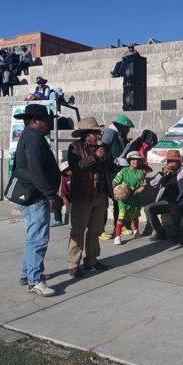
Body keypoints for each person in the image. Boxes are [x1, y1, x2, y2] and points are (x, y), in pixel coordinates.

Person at [12, 104, 61, 296]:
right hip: (36, 196)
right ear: (35, 121)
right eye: (47, 120)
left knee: (33, 236)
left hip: (34, 194)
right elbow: (36, 170)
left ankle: (27, 274)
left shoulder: (31, 136)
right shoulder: (33, 138)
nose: (49, 124)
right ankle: (35, 280)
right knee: (38, 238)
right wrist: (50, 194)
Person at [67, 117, 113, 278]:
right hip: (83, 196)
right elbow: (75, 167)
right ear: (86, 135)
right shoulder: (75, 147)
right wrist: (94, 157)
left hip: (100, 195)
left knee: (95, 230)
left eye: (99, 133)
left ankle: (92, 259)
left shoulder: (103, 148)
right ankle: (73, 264)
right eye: (96, 133)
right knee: (78, 231)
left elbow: (108, 168)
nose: (100, 136)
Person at [99, 114, 135, 240]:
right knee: (103, 203)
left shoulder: (119, 135)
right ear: (122, 126)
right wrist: (113, 161)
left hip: (117, 172)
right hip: (108, 172)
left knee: (119, 199)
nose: (128, 131)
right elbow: (103, 150)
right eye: (127, 128)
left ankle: (119, 225)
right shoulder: (110, 133)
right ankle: (100, 229)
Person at [145, 149, 183, 243]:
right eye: (170, 161)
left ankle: (174, 235)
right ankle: (160, 233)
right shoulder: (165, 172)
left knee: (176, 210)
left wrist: (176, 203)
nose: (172, 163)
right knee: (148, 209)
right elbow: (153, 184)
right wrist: (162, 173)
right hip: (166, 201)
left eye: (174, 161)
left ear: (179, 162)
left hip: (179, 201)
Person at [112, 151, 146, 245]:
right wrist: (116, 193)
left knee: (135, 215)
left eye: (137, 160)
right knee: (121, 217)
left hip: (134, 199)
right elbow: (114, 182)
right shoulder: (123, 171)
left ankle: (136, 230)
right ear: (129, 161)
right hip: (123, 200)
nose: (135, 161)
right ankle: (117, 236)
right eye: (133, 159)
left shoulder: (140, 173)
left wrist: (135, 192)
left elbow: (143, 186)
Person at [51, 161, 72, 227]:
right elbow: (63, 190)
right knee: (56, 199)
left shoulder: (78, 175)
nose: (68, 171)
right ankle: (58, 220)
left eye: (69, 169)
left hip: (77, 196)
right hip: (69, 196)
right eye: (66, 170)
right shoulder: (65, 177)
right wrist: (64, 197)